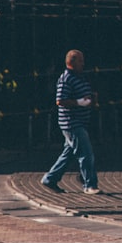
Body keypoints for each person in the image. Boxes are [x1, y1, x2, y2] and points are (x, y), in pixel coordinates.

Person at [42, 49, 101, 194]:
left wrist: (91, 98)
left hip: (79, 121)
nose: (83, 63)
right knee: (86, 153)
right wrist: (79, 102)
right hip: (71, 123)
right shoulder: (66, 78)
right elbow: (60, 100)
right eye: (80, 61)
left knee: (69, 154)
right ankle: (90, 184)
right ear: (71, 62)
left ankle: (50, 179)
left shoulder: (81, 77)